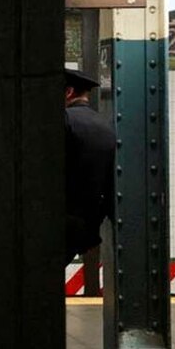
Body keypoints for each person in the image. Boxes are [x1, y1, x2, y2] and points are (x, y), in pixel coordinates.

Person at [63, 68, 116, 266]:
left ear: (68, 92)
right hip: (87, 223)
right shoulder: (106, 126)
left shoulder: (64, 120)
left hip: (60, 219)